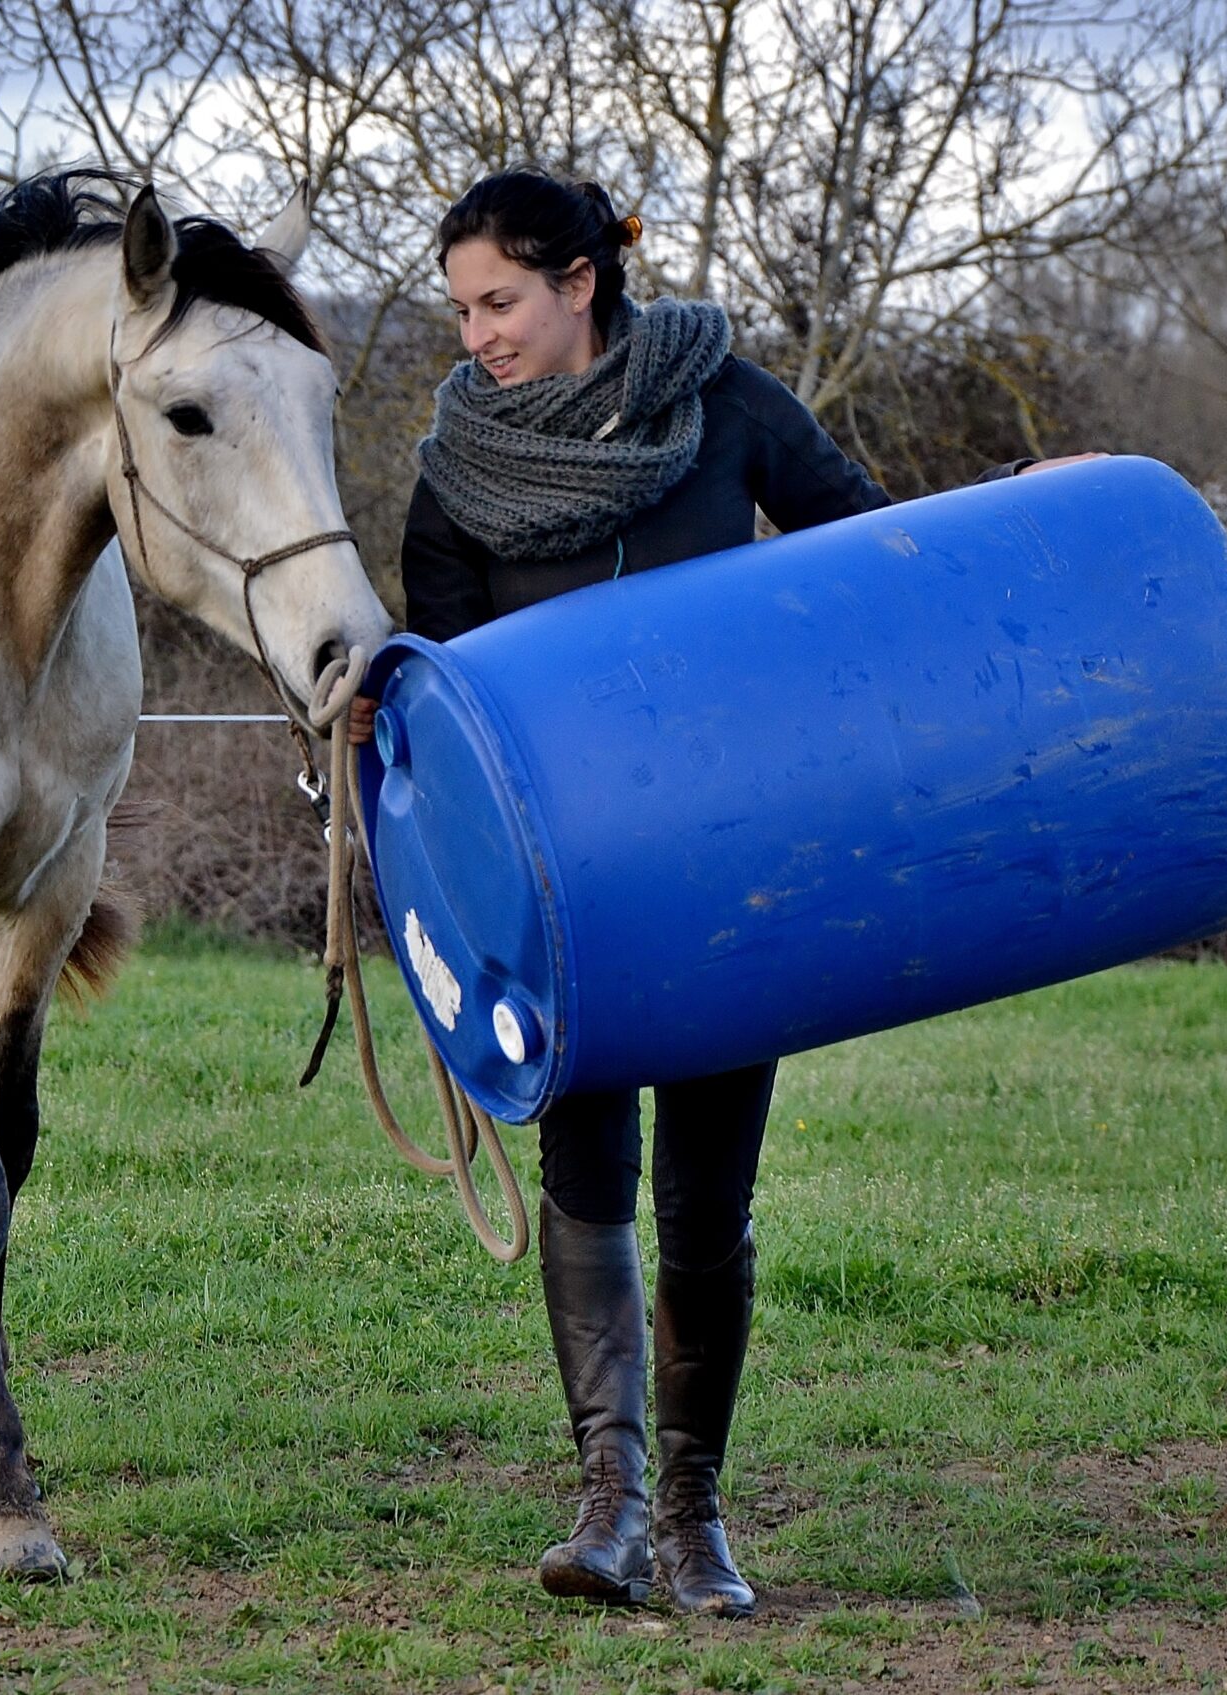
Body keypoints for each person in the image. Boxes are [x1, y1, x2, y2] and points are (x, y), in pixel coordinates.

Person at [348, 168, 1099, 1617]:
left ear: (582, 281)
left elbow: (867, 564)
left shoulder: (726, 404)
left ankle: (693, 1517)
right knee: (583, 1178)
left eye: (498, 300)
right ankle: (610, 1505)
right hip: (562, 901)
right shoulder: (457, 469)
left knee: (707, 1193)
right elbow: (442, 691)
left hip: (735, 878)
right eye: (459, 308)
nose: (476, 335)